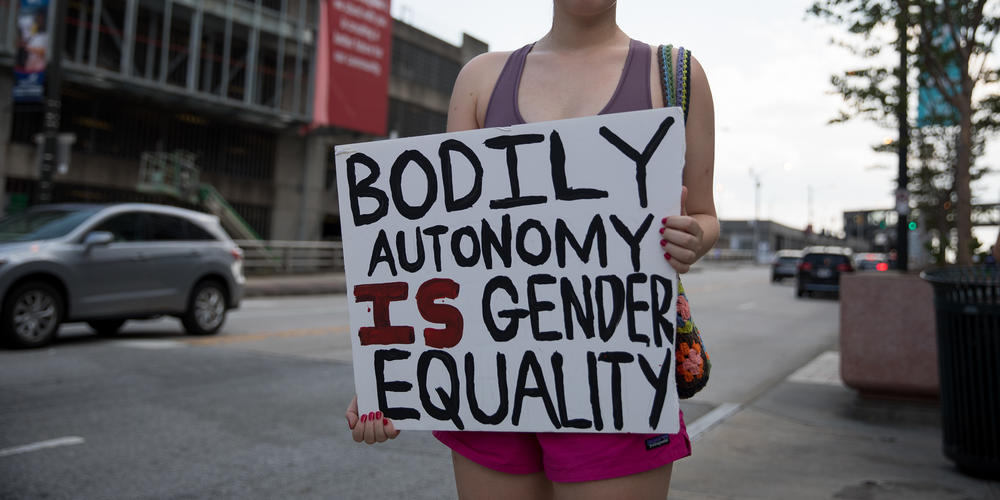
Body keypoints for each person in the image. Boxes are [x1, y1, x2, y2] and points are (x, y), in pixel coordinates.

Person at [346, 1, 718, 497]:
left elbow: (706, 214)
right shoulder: (481, 78)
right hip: (492, 377)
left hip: (617, 376)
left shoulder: (673, 73)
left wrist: (694, 237)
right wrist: (390, 373)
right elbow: (447, 243)